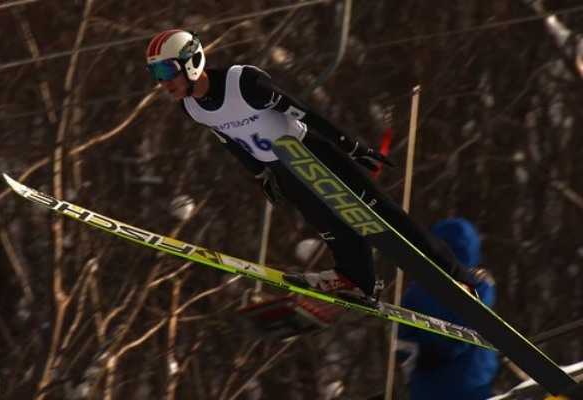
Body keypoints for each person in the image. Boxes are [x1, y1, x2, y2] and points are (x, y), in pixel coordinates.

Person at [144, 29, 477, 300]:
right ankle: (355, 279)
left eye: (165, 71)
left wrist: (353, 147)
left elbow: (305, 112)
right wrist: (260, 174)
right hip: (282, 168)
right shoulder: (192, 108)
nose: (162, 82)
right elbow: (231, 141)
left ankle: (457, 278)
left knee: (384, 218)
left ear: (191, 61)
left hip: (311, 153)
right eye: (155, 74)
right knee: (329, 226)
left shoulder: (242, 83)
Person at [396, 218, 499, 400]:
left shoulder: (417, 289)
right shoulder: (479, 283)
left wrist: (418, 356)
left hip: (425, 388)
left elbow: (401, 338)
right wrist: (441, 351)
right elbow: (471, 326)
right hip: (470, 385)